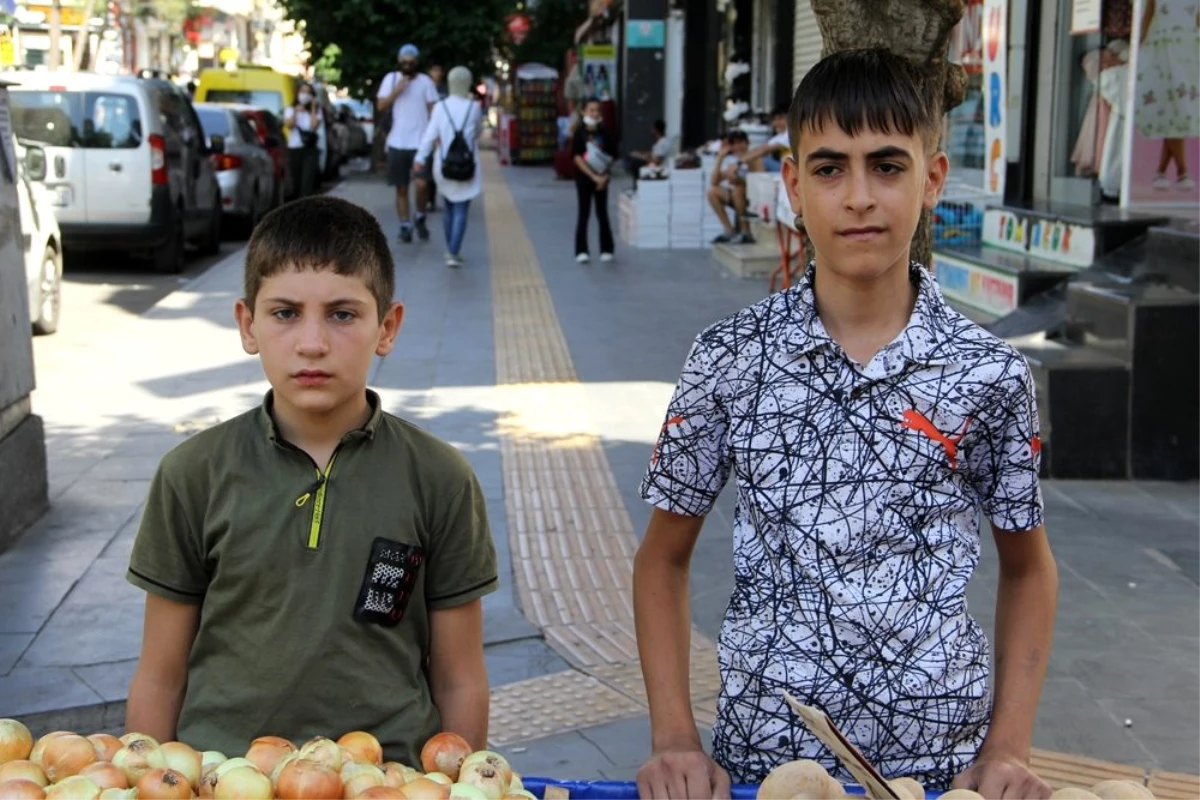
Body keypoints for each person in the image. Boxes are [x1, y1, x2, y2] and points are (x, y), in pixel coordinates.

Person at [634, 49, 1058, 800]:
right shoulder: (730, 358)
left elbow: (1028, 567)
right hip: (764, 770)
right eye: (830, 169)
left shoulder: (988, 373)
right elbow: (661, 560)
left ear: (932, 179)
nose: (859, 196)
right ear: (794, 186)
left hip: (938, 774)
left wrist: (1008, 748)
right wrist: (674, 740)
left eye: (887, 166)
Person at [123, 196, 498, 765]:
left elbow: (459, 680)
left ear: (387, 327)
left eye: (343, 314)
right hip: (225, 777)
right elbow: (160, 676)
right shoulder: (192, 475)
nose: (313, 343)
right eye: (284, 313)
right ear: (247, 325)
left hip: (385, 778)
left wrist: (460, 779)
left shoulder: (439, 478)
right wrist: (146, 774)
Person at [415, 66, 482, 269]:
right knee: (462, 207)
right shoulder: (475, 107)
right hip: (467, 164)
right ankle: (454, 251)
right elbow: (477, 132)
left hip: (443, 164)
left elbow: (430, 135)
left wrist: (420, 157)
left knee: (448, 206)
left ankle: (450, 248)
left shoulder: (440, 107)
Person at [377, 44, 440, 242]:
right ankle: (405, 225)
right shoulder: (391, 79)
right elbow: (381, 105)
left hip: (421, 143)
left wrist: (437, 138)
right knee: (401, 187)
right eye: (404, 62)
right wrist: (397, 90)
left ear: (417, 62)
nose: (407, 65)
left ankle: (420, 215)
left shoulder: (425, 82)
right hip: (397, 142)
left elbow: (434, 111)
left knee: (422, 184)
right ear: (399, 62)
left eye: (411, 62)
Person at [1133, 0, 1198, 191]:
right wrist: (1138, 46)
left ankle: (1162, 172)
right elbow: (1148, 15)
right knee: (1174, 108)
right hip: (1163, 50)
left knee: (1179, 111)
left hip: (1189, 51)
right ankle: (1182, 171)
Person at [572, 97, 616, 264]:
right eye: (591, 110)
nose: (595, 113)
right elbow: (576, 157)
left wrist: (604, 177)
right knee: (584, 213)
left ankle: (607, 249)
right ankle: (581, 250)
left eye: (597, 110)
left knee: (602, 213)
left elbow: (611, 156)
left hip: (602, 180)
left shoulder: (605, 132)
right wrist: (593, 176)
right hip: (585, 179)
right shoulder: (579, 132)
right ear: (584, 111)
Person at [706, 130, 754, 244]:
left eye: (741, 142)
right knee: (712, 192)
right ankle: (729, 230)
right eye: (734, 144)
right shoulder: (733, 161)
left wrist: (738, 180)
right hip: (738, 197)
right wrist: (720, 158)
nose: (738, 147)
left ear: (747, 143)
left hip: (754, 197)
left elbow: (757, 180)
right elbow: (714, 181)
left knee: (738, 188)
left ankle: (745, 231)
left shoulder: (753, 157)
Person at [284, 81, 322, 198]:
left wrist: (313, 107)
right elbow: (289, 125)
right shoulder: (290, 109)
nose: (305, 95)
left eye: (308, 92)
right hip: (294, 149)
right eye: (302, 92)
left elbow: (314, 125)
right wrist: (296, 111)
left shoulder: (315, 111)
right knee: (295, 182)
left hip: (310, 150)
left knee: (307, 183)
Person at [742, 105, 791, 172]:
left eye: (780, 118)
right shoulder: (779, 136)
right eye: (775, 119)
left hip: (793, 171)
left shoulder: (791, 134)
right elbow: (759, 149)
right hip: (783, 168)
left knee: (759, 159)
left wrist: (738, 163)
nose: (777, 123)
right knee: (752, 160)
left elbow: (765, 150)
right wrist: (738, 162)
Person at [628, 119, 672, 187]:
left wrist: (641, 157)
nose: (651, 131)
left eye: (652, 129)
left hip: (658, 169)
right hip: (655, 166)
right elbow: (652, 154)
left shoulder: (663, 143)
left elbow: (657, 161)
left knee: (635, 164)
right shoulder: (660, 142)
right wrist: (639, 154)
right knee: (633, 158)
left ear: (656, 130)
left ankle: (637, 186)